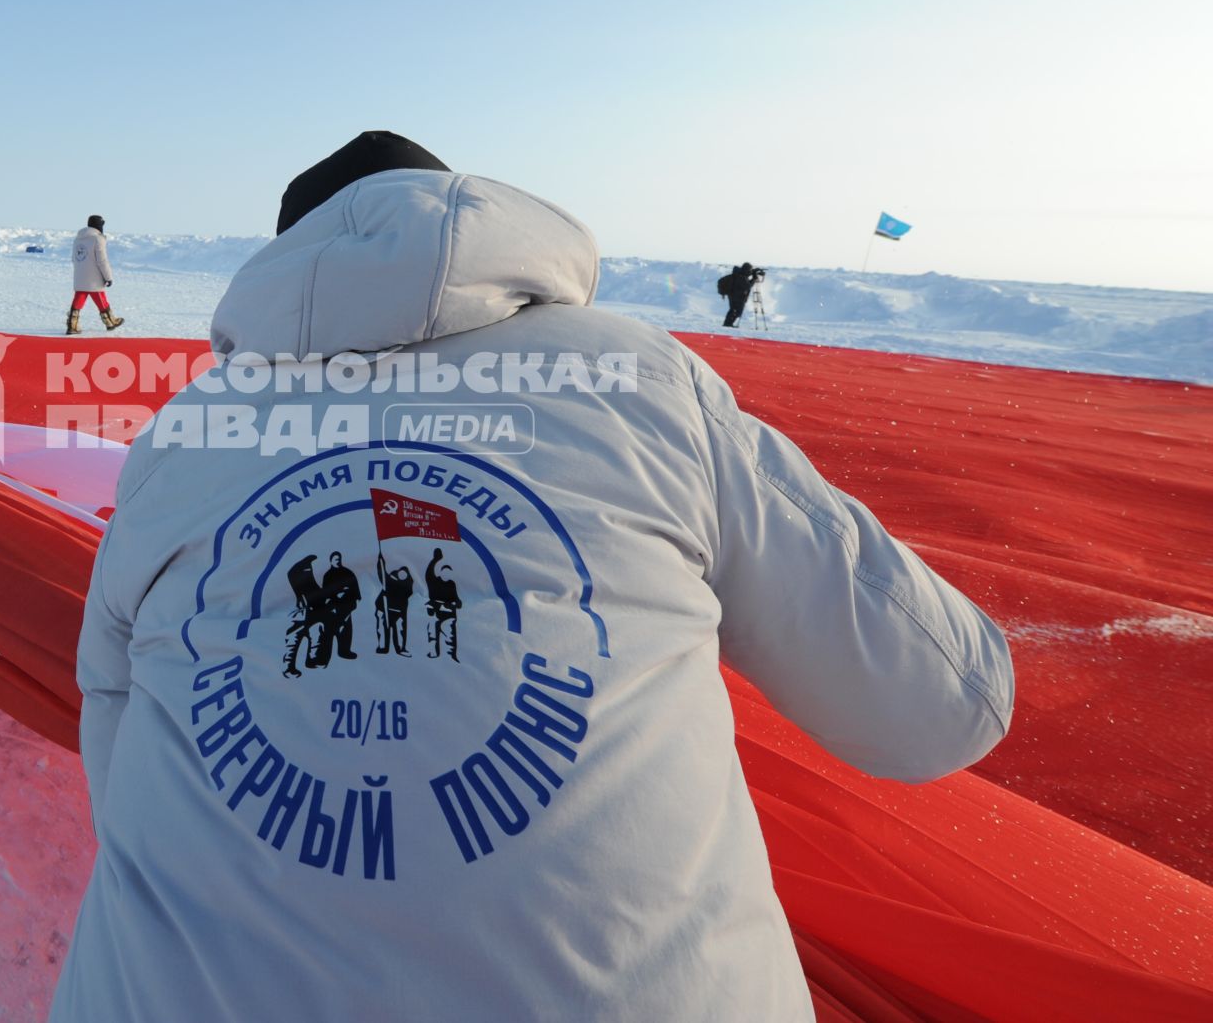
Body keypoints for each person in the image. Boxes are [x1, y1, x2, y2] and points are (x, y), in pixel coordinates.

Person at [52, 131, 1013, 1020]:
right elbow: (940, 709)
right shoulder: (640, 377)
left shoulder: (188, 430)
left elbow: (117, 719)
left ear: (280, 265)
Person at [68, 215, 123, 334]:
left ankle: (72, 324)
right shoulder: (98, 239)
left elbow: (74, 258)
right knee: (99, 295)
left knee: (80, 296)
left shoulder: (78, 239)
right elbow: (102, 260)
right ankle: (110, 321)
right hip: (94, 276)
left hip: (80, 274)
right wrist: (108, 277)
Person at [718, 261, 765, 327]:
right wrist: (754, 277)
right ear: (747, 269)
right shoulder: (741, 277)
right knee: (736, 311)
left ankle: (728, 323)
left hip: (734, 296)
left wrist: (753, 273)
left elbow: (746, 283)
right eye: (750, 269)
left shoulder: (740, 274)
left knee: (734, 310)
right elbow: (748, 286)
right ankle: (727, 324)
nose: (750, 271)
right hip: (737, 297)